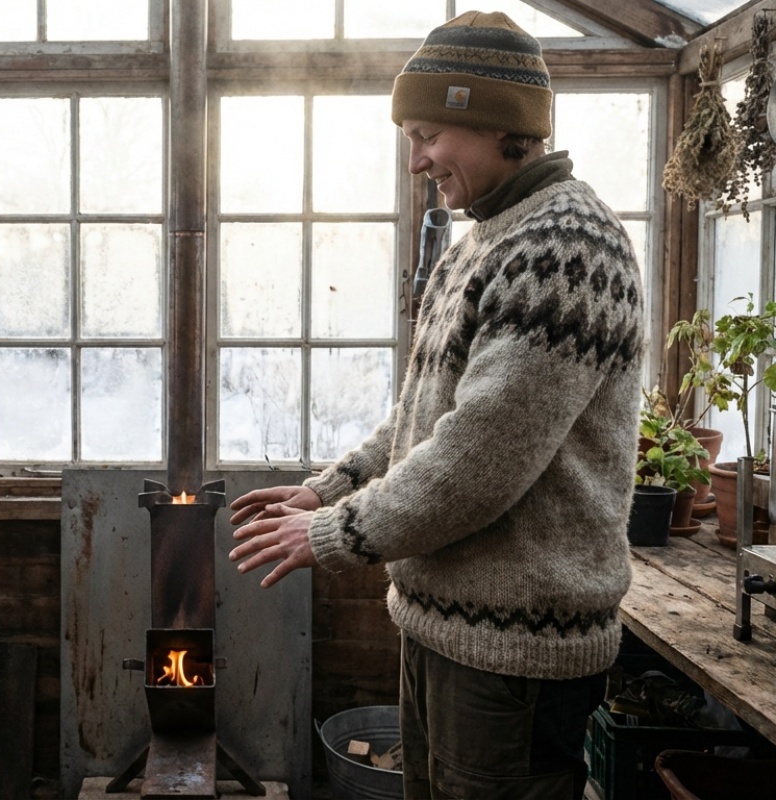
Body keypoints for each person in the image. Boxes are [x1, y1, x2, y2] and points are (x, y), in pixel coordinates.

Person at [228, 10, 644, 799]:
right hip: (448, 630)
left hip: (514, 655)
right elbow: (423, 415)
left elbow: (477, 461)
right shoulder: (482, 241)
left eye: (427, 136)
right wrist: (329, 488)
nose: (417, 161)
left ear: (499, 125)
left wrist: (331, 533)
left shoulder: (564, 248)